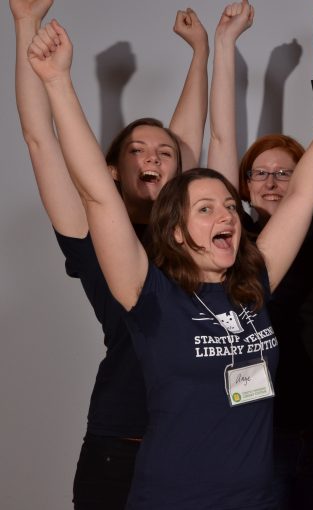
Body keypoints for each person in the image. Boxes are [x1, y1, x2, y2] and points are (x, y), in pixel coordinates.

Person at [28, 14, 313, 509]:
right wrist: (58, 82)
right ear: (177, 232)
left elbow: (303, 191)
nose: (226, 214)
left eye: (229, 205)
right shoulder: (151, 296)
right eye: (205, 209)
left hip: (254, 500)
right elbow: (98, 194)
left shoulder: (253, 282)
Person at [12, 1, 207, 507]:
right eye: (136, 150)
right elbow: (40, 140)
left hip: (195, 446)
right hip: (121, 445)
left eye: (163, 153)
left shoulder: (194, 235)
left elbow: (187, 139)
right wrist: (25, 24)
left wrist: (200, 54)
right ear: (113, 170)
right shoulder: (89, 230)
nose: (152, 157)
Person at [206, 3, 313, 507]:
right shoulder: (228, 235)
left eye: (284, 172)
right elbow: (221, 136)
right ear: (244, 185)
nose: (270, 182)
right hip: (259, 428)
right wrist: (224, 45)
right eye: (259, 173)